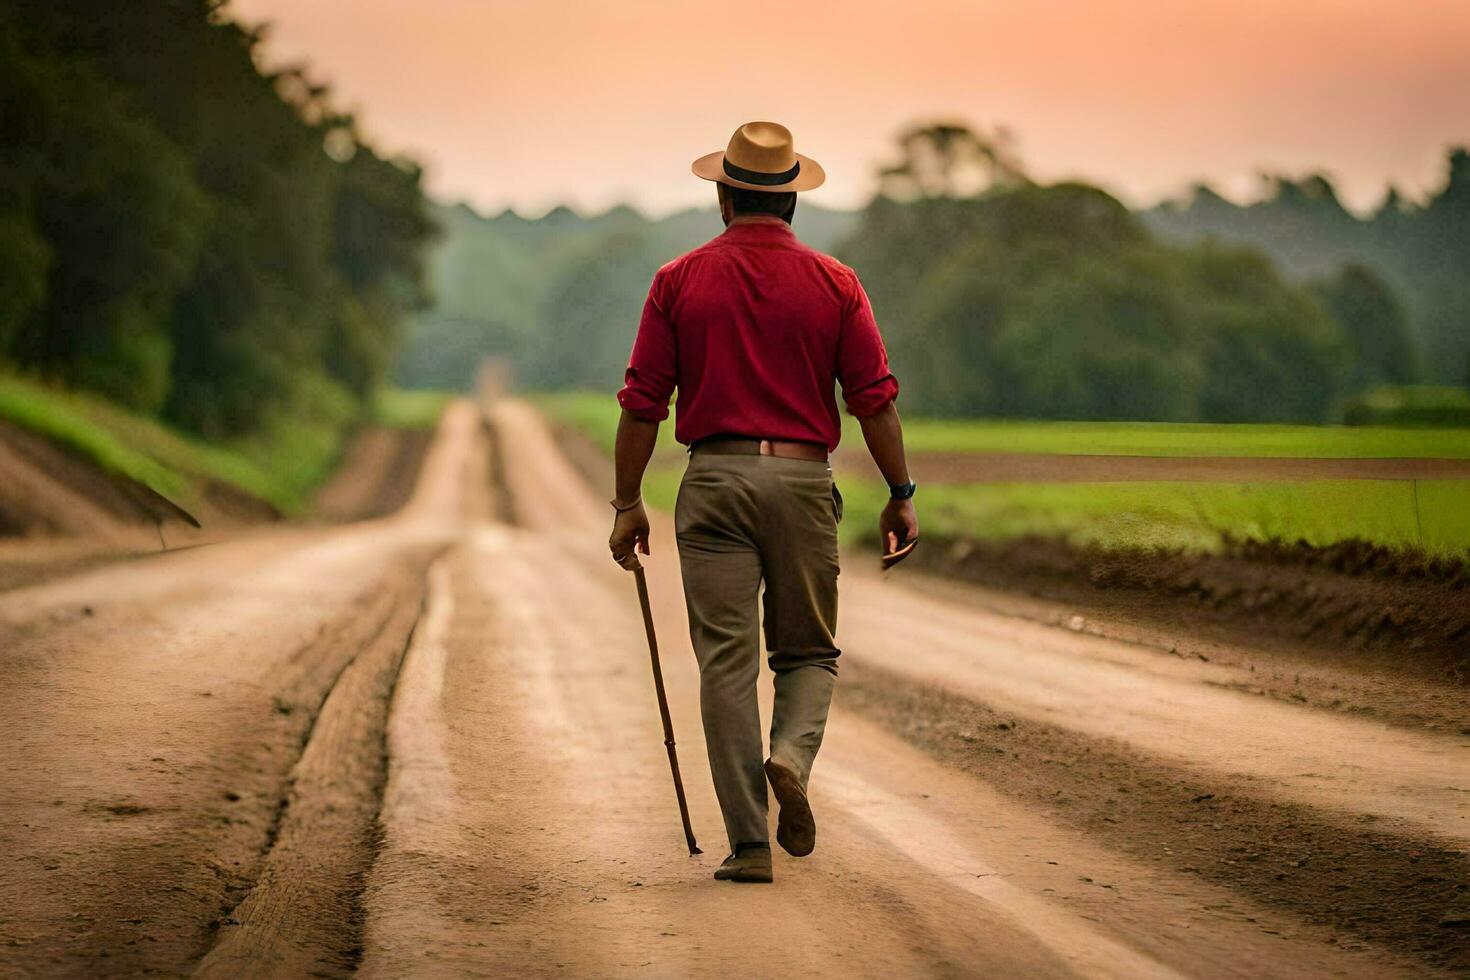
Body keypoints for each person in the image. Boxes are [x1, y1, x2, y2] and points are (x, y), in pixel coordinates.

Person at [608, 121, 918, 883]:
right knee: (808, 651)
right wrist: (900, 492)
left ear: (722, 194)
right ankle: (790, 759)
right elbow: (872, 400)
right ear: (792, 202)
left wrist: (626, 503)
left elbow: (643, 403)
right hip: (803, 482)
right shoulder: (837, 283)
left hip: (712, 481)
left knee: (725, 664)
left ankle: (749, 844)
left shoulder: (677, 279)